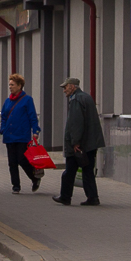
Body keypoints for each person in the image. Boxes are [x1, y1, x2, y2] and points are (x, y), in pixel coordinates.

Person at [52, 77, 104, 206]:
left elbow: (76, 123)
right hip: (90, 143)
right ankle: (93, 197)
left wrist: (75, 142)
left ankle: (65, 196)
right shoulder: (86, 97)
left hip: (80, 145)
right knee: (87, 171)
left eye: (65, 87)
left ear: (72, 86)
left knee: (69, 171)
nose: (64, 91)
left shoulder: (76, 100)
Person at [0, 73, 42, 194]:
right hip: (9, 135)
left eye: (12, 85)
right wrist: (2, 128)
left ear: (19, 86)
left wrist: (35, 130)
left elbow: (32, 116)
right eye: (9, 85)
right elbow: (4, 117)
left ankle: (34, 178)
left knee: (22, 159)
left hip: (22, 135)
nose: (10, 87)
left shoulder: (27, 100)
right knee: (12, 162)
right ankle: (16, 186)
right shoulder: (7, 101)